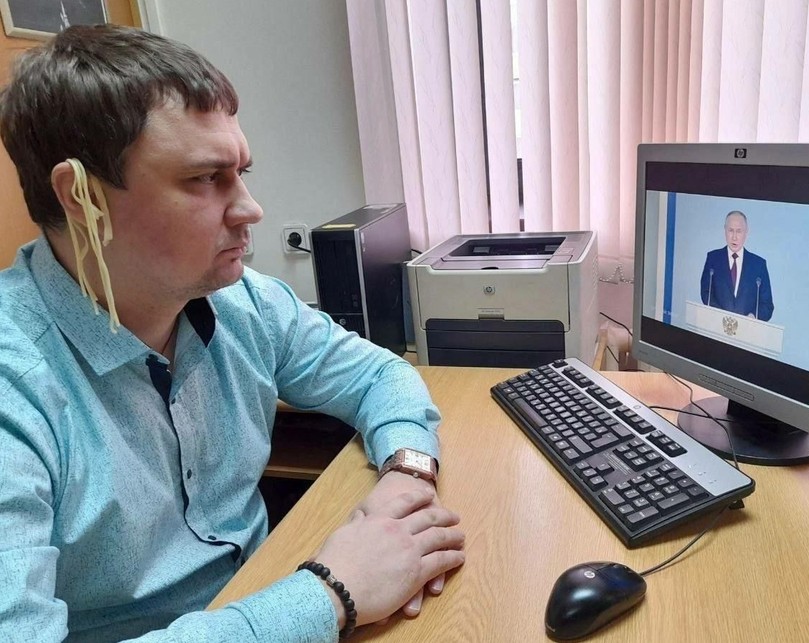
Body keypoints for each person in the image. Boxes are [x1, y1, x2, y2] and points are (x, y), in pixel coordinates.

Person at [0, 25, 464, 642]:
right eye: (204, 178)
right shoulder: (17, 389)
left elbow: (380, 375)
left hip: (273, 593)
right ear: (81, 200)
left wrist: (406, 476)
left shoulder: (244, 302)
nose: (250, 208)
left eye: (241, 172)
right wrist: (331, 592)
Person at [700, 210, 774, 322]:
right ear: (725, 230)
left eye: (739, 231)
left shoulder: (759, 265)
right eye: (730, 230)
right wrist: (720, 316)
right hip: (717, 326)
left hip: (748, 331)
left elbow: (767, 305)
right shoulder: (713, 258)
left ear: (746, 233)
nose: (734, 237)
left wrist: (753, 317)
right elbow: (706, 293)